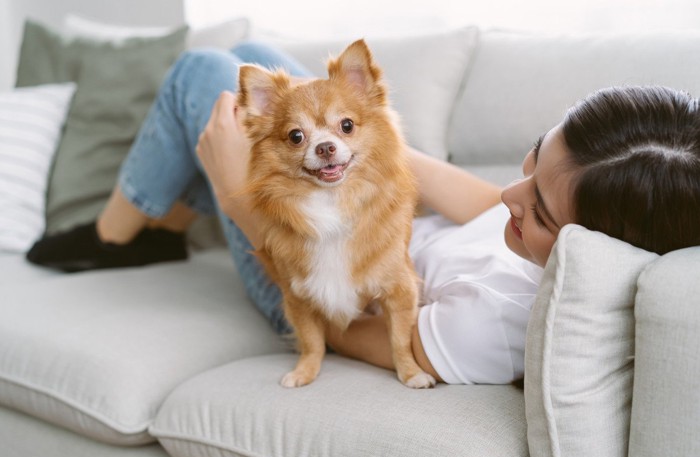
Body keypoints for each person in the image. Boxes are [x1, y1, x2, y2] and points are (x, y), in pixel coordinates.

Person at [26, 42, 700, 385]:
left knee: (203, 72)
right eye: (529, 161)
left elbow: (348, 333)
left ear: (599, 248)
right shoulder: (548, 228)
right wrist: (373, 145)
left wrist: (237, 196)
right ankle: (170, 220)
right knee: (263, 71)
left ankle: (117, 235)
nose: (507, 194)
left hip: (321, 281)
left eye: (538, 210)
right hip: (359, 209)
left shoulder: (490, 330)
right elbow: (477, 206)